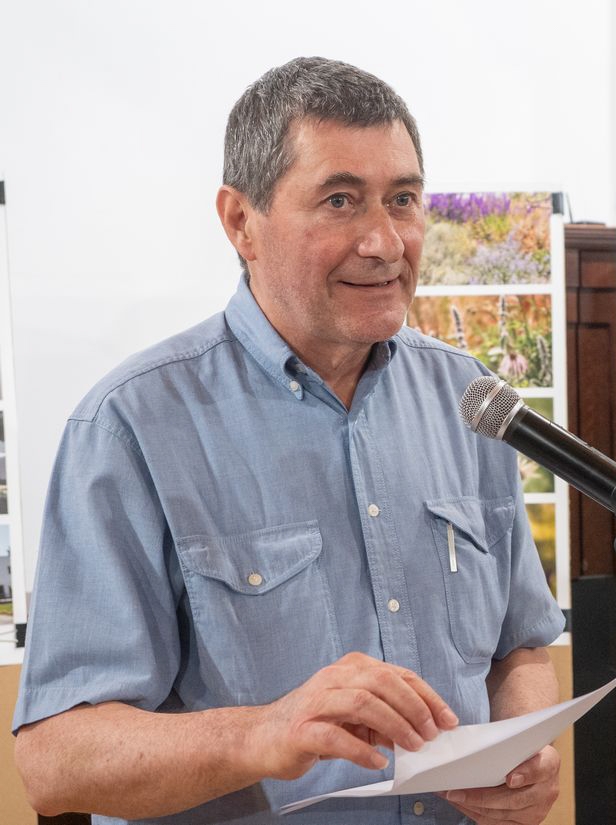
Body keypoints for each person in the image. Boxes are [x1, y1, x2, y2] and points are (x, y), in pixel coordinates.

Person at [13, 57, 565, 825]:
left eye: (402, 200)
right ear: (241, 221)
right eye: (340, 201)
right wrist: (262, 733)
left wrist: (525, 754)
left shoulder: (468, 398)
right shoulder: (129, 426)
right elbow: (54, 760)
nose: (385, 242)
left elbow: (519, 649)